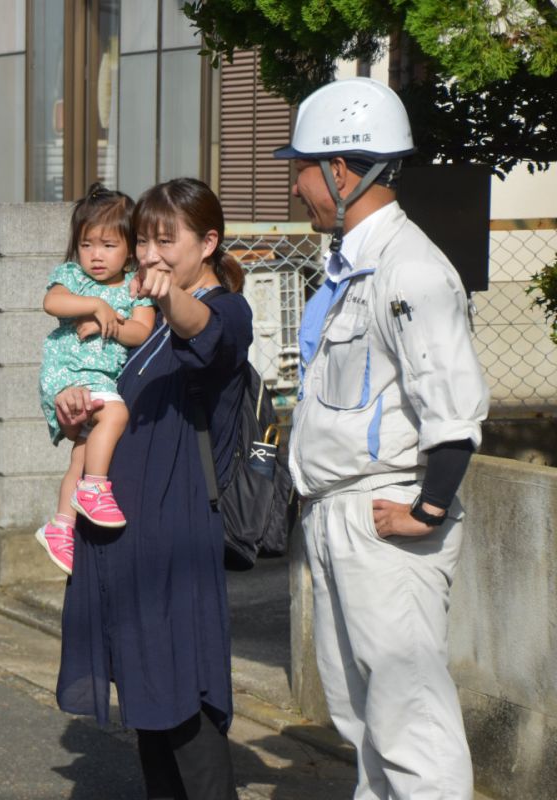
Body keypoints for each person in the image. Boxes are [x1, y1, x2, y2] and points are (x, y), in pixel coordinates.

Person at [273, 77, 488, 800]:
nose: (296, 186)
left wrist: (427, 509)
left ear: (340, 169)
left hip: (383, 519)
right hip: (340, 516)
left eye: (300, 167)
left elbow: (452, 409)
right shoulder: (353, 264)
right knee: (362, 722)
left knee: (411, 728)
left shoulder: (412, 270)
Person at [55, 178, 250, 799]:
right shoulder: (147, 324)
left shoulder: (221, 312)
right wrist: (73, 408)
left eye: (166, 241)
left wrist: (170, 300)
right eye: (143, 240)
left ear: (208, 242)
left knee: (183, 702)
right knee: (148, 706)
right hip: (122, 536)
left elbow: (205, 332)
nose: (148, 255)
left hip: (173, 540)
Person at [36, 183, 155, 575]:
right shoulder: (73, 277)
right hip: (68, 372)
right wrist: (95, 304)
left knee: (82, 452)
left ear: (130, 247)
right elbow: (52, 302)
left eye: (108, 245)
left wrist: (111, 325)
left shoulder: (137, 286)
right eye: (87, 245)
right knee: (115, 415)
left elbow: (141, 331)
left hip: (98, 374)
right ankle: (95, 487)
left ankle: (61, 525)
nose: (96, 255)